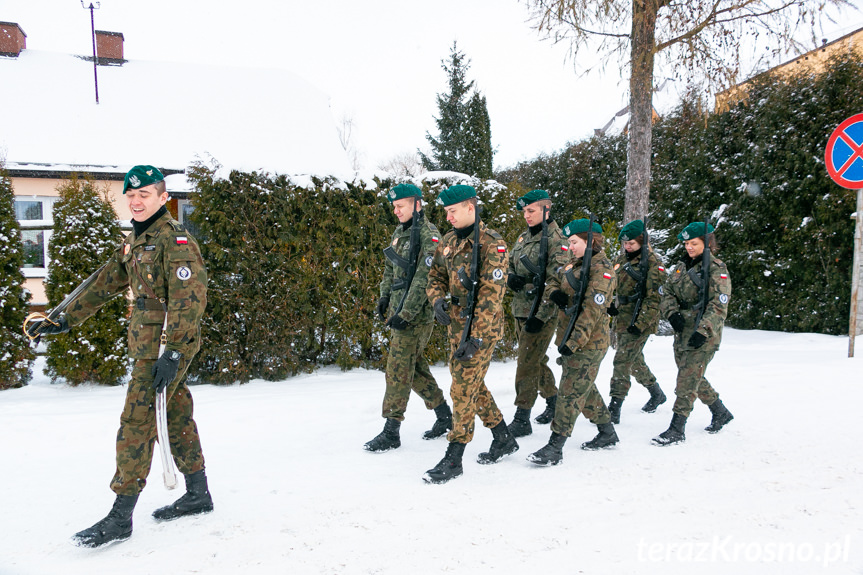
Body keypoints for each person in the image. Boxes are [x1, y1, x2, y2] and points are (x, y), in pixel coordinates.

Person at [26, 166, 213, 547]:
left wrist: (174, 353)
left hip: (165, 345)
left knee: (136, 423)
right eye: (131, 195)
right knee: (174, 414)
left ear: (163, 198)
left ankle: (120, 516)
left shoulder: (175, 241)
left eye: (145, 195)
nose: (136, 201)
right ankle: (198, 494)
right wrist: (62, 320)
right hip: (150, 346)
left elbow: (189, 301)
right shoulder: (136, 240)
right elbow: (104, 280)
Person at [423, 184, 517, 484]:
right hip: (455, 324)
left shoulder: (492, 243)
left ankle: (455, 456)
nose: (448, 217)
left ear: (470, 208)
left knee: (462, 388)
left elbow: (492, 297)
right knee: (471, 383)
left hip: (482, 329)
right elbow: (435, 275)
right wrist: (437, 299)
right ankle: (503, 436)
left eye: (453, 211)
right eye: (446, 212)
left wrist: (475, 337)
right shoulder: (448, 241)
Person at [365, 183, 452, 452]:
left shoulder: (429, 235)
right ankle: (444, 415)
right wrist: (383, 297)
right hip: (398, 310)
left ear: (417, 204)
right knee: (413, 369)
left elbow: (424, 278)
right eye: (394, 206)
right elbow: (390, 269)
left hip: (416, 315)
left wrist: (407, 312)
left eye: (400, 205)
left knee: (398, 370)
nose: (396, 211)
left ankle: (391, 431)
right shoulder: (400, 232)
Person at [528, 218, 619, 466]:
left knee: (569, 393)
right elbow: (553, 281)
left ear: (590, 242)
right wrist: (554, 294)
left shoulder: (602, 271)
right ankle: (607, 432)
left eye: (575, 242)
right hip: (569, 336)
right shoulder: (573, 265)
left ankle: (555, 445)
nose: (571, 247)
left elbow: (592, 311)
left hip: (588, 342)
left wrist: (574, 341)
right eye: (569, 242)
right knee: (583, 388)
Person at [653, 221, 734, 446]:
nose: (689, 247)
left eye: (694, 243)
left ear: (707, 243)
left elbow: (719, 304)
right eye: (687, 243)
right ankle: (720, 411)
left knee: (686, 379)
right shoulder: (682, 267)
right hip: (683, 331)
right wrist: (671, 314)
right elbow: (667, 291)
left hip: (704, 333)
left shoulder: (716, 269)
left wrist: (703, 330)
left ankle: (677, 428)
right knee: (691, 375)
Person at [505, 189, 568, 437]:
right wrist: (511, 277)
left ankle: (522, 417)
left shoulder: (557, 240)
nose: (526, 216)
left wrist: (540, 315)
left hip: (541, 311)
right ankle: (553, 402)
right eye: (524, 211)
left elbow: (556, 281)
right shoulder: (523, 238)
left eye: (531, 211)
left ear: (546, 209)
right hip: (521, 307)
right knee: (536, 360)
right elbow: (510, 262)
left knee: (526, 363)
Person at [606, 219, 667, 424]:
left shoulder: (652, 263)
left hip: (642, 318)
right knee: (634, 360)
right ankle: (656, 392)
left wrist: (640, 324)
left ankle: (614, 407)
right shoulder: (621, 259)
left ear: (642, 240)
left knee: (622, 360)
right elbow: (611, 283)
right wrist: (610, 304)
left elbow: (654, 299)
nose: (627, 246)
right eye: (625, 243)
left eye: (631, 242)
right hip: (623, 316)